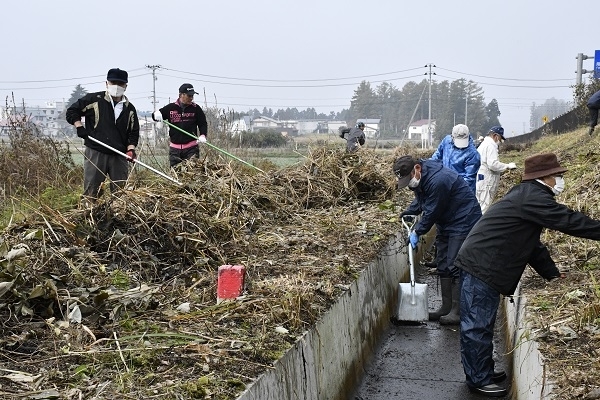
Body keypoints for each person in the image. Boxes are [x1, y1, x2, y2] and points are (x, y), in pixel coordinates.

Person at [454, 152, 600, 397]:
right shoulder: (533, 198)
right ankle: (478, 379)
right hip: (482, 264)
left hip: (481, 261)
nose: (560, 180)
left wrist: (551, 273)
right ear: (545, 177)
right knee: (476, 325)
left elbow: (532, 244)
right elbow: (568, 221)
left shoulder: (525, 196)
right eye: (557, 176)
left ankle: (483, 371)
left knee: (481, 324)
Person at [394, 155, 481, 324]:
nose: (409, 183)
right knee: (442, 262)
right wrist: (410, 211)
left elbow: (432, 210)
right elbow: (421, 200)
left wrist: (417, 232)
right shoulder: (421, 178)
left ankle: (458, 311)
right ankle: (446, 308)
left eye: (408, 178)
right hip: (447, 220)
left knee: (455, 264)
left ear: (417, 168)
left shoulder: (439, 180)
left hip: (463, 219)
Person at [66, 68, 139, 201]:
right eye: (113, 82)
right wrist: (79, 126)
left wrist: (131, 149)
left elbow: (134, 132)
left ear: (125, 86)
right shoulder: (94, 100)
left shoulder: (130, 109)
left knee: (120, 194)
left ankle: (117, 218)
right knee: (92, 191)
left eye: (120, 84)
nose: (116, 86)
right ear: (106, 83)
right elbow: (72, 111)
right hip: (96, 152)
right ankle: (89, 215)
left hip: (119, 155)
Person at [152, 83, 208, 167]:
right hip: (175, 150)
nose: (191, 98)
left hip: (191, 149)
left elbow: (203, 123)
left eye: (192, 96)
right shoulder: (171, 108)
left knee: (192, 173)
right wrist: (156, 115)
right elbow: (155, 116)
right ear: (181, 95)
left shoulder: (196, 109)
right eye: (189, 96)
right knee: (175, 175)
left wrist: (203, 135)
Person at [475, 126, 517, 213]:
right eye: (500, 139)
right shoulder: (490, 146)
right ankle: (478, 226)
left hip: (481, 179)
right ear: (495, 136)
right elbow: (493, 164)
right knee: (484, 208)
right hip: (487, 182)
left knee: (479, 206)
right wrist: (507, 166)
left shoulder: (484, 144)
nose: (500, 142)